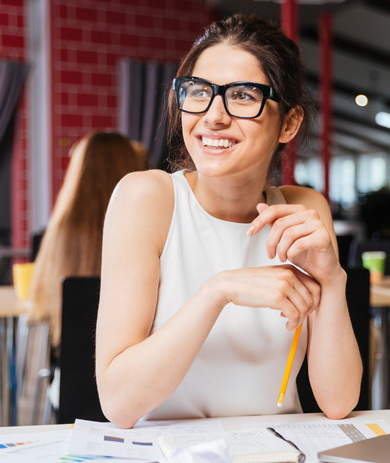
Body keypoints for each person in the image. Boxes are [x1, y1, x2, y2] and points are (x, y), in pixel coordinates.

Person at [95, 14, 362, 428]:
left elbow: (338, 402)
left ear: (288, 123)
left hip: (278, 452)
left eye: (241, 95)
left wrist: (332, 279)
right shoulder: (146, 198)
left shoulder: (303, 210)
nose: (213, 116)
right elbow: (118, 403)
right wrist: (219, 289)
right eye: (199, 92)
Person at [28, 131, 142, 348]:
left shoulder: (59, 231)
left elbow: (39, 305)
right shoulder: (148, 227)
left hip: (68, 374)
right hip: (134, 368)